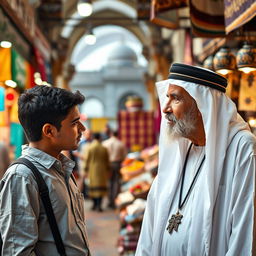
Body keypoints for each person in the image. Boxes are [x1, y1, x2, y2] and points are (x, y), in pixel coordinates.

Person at [135, 63, 256, 255]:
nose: (165, 108)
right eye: (167, 98)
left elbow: (245, 234)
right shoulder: (181, 148)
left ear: (202, 105)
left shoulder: (241, 148)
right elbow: (150, 225)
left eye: (175, 99)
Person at [0, 85, 90, 255]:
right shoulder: (23, 176)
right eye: (74, 123)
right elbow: (18, 252)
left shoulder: (62, 168)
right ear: (49, 130)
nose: (82, 129)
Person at [84, 132, 110, 212]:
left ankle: (94, 204)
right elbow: (107, 160)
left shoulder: (90, 147)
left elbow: (87, 159)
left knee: (93, 187)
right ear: (100, 138)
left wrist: (85, 169)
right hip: (102, 170)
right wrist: (108, 169)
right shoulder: (104, 148)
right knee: (101, 187)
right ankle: (99, 205)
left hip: (93, 170)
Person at [103, 130, 127, 208]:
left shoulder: (105, 143)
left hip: (107, 164)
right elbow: (124, 156)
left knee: (108, 182)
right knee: (116, 182)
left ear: (111, 134)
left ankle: (109, 200)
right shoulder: (120, 144)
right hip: (117, 163)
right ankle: (114, 200)